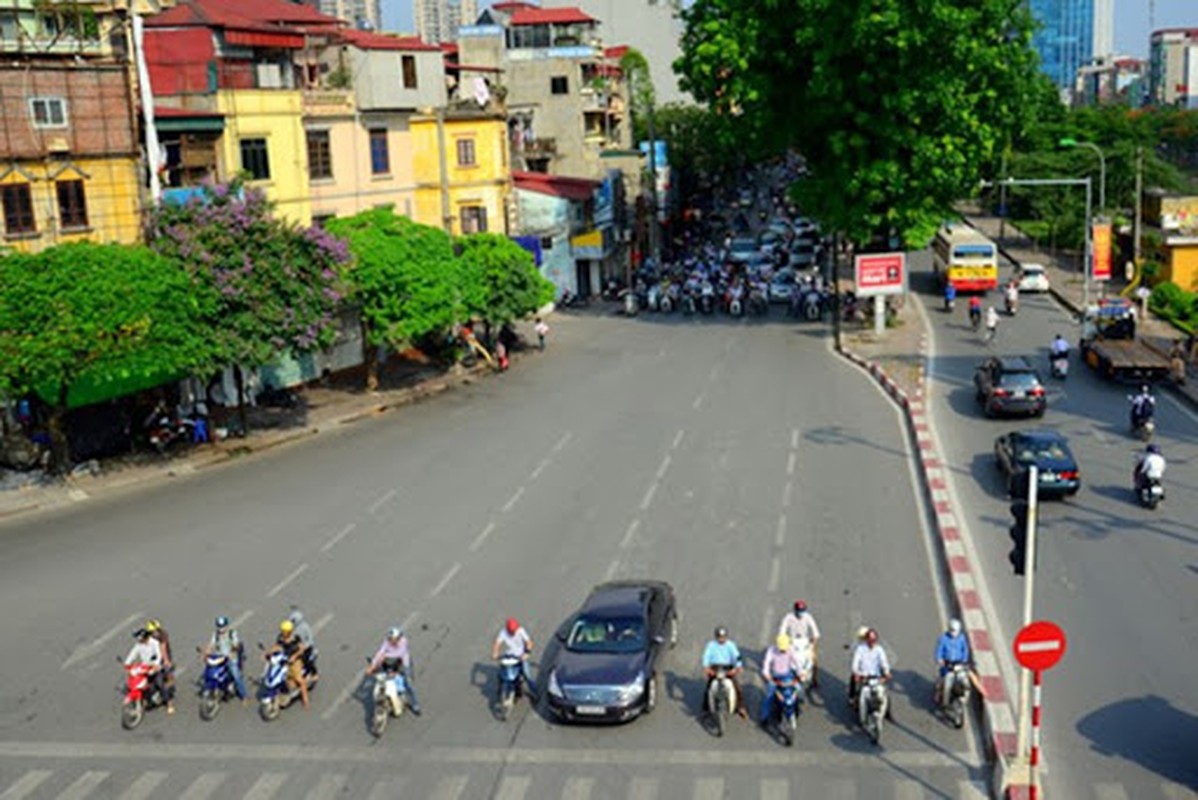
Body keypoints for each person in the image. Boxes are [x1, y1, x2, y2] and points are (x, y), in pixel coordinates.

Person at [366, 626, 421, 715]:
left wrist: (385, 656)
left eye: (393, 639)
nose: (391, 641)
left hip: (402, 663)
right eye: (390, 639)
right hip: (390, 663)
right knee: (385, 680)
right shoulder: (386, 642)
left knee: (408, 684)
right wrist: (373, 665)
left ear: (398, 638)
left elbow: (399, 653)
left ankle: (415, 705)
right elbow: (380, 652)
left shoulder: (403, 641)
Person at [759, 634, 810, 725]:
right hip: (775, 677)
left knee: (798, 689)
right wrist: (767, 676)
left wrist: (801, 673)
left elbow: (797, 663)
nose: (783, 650)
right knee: (768, 696)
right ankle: (764, 717)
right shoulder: (771, 651)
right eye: (781, 648)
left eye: (784, 648)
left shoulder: (791, 650)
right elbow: (766, 665)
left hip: (787, 676)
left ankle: (797, 707)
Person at [701, 626, 747, 719]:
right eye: (719, 637)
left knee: (737, 688)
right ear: (716, 637)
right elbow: (706, 656)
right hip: (715, 668)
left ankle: (741, 707)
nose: (721, 639)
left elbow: (737, 656)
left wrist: (738, 667)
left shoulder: (730, 645)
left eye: (723, 637)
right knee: (708, 688)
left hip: (727, 668)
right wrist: (706, 667)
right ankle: (706, 709)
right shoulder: (711, 645)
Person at [933, 619, 981, 707]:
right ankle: (943, 699)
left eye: (955, 631)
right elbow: (938, 651)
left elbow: (965, 650)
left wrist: (964, 661)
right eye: (952, 630)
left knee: (966, 683)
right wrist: (940, 659)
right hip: (948, 666)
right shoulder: (943, 639)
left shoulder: (962, 638)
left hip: (959, 665)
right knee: (944, 682)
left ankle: (964, 700)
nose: (953, 633)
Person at [125, 628, 172, 713]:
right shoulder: (139, 645)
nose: (139, 641)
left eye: (141, 639)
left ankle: (169, 703)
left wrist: (156, 664)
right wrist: (127, 663)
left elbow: (158, 655)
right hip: (144, 667)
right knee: (138, 682)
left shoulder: (154, 643)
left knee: (159, 683)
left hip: (155, 667)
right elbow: (133, 654)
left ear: (146, 638)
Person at [204, 615, 248, 703]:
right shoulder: (215, 634)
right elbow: (211, 645)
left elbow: (236, 644)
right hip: (219, 657)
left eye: (223, 626)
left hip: (230, 657)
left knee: (236, 675)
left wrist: (233, 650)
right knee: (209, 670)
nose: (221, 629)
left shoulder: (232, 633)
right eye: (219, 627)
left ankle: (244, 696)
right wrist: (206, 652)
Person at [778, 600, 822, 688]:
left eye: (802, 611)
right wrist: (785, 641)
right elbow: (782, 631)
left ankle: (814, 679)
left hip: (804, 641)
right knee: (784, 659)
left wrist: (813, 644)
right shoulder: (788, 617)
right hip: (792, 641)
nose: (801, 613)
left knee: (814, 660)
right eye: (799, 611)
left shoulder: (808, 617)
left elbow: (816, 633)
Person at [851, 629, 892, 718]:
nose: (872, 642)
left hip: (875, 677)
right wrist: (856, 673)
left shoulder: (879, 650)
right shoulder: (860, 649)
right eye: (870, 640)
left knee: (885, 695)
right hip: (864, 676)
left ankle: (888, 713)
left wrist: (887, 672)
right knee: (859, 694)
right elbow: (855, 663)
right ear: (866, 639)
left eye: (874, 640)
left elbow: (884, 662)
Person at [492, 617, 536, 699]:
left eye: (514, 631)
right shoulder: (503, 632)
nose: (513, 633)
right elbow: (497, 643)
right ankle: (500, 690)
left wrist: (527, 653)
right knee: (501, 674)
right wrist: (495, 653)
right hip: (509, 656)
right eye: (511, 631)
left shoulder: (521, 631)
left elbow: (529, 642)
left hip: (520, 656)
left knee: (527, 675)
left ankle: (535, 692)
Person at [272, 619, 310, 710]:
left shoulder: (295, 638)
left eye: (284, 631)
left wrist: (294, 656)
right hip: (284, 659)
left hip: (295, 662)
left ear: (289, 632)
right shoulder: (280, 637)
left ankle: (305, 700)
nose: (283, 633)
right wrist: (268, 653)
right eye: (282, 631)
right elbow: (277, 646)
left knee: (299, 680)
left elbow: (302, 648)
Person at [288, 609, 317, 677]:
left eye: (292, 621)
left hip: (305, 648)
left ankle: (313, 676)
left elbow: (310, 641)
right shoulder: (294, 627)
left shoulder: (305, 628)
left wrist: (304, 647)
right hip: (296, 646)